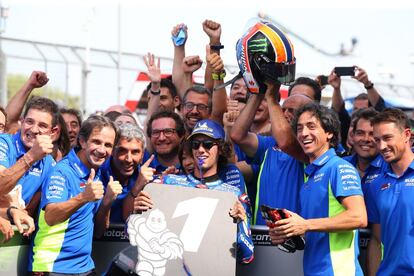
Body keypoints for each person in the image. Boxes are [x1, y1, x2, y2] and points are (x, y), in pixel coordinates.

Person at [135, 119, 254, 264]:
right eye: (196, 145)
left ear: (221, 149)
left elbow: (247, 256)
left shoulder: (235, 196)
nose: (201, 150)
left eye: (208, 144)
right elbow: (132, 235)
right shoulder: (166, 183)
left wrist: (240, 225)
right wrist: (137, 214)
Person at [269, 103, 367, 275]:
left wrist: (305, 224)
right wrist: (288, 234)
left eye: (311, 126)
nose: (303, 133)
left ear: (329, 133)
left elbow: (358, 217)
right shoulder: (310, 176)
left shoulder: (338, 167)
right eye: (299, 128)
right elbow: (316, 232)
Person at [28, 115, 122, 275]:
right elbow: (50, 217)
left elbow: (99, 232)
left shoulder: (98, 172)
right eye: (96, 142)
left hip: (84, 267)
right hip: (53, 267)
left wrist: (107, 202)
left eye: (108, 145)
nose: (102, 150)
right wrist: (83, 197)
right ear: (82, 141)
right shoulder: (62, 171)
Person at [365, 108, 414, 275]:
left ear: (407, 135)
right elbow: (377, 239)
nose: (381, 146)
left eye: (387, 138)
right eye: (377, 140)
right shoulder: (375, 183)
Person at [0, 96, 57, 210]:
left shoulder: (50, 163)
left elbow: (30, 209)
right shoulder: (3, 142)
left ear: (53, 132)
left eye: (42, 125)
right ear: (21, 121)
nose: (34, 130)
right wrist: (31, 156)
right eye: (29, 122)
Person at [98, 123, 147, 225]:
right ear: (112, 151)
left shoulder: (145, 179)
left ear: (142, 155)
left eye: (135, 152)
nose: (128, 159)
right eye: (122, 151)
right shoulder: (97, 173)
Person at [144, 110, 186, 174]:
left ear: (181, 136)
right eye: (156, 132)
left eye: (168, 131)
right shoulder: (143, 165)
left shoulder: (191, 167)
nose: (161, 138)